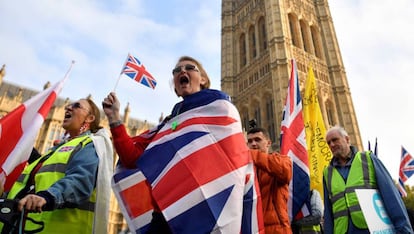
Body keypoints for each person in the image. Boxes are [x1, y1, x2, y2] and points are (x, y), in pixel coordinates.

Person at [103, 56, 263, 233]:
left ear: (203, 79)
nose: (182, 72)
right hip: (165, 217)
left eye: (189, 68)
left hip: (207, 213)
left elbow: (237, 162)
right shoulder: (169, 125)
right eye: (176, 71)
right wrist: (115, 119)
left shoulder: (221, 109)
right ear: (176, 88)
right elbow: (131, 157)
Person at [1, 98, 113, 233]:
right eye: (68, 105)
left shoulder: (90, 144)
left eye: (76, 106)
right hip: (21, 225)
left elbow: (80, 182)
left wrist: (47, 197)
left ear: (90, 118)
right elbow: (32, 184)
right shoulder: (58, 149)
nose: (68, 108)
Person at [323, 125, 413, 233]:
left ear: (347, 139)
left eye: (335, 140)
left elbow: (391, 197)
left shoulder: (368, 159)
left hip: (371, 229)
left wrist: (404, 230)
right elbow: (328, 213)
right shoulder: (327, 173)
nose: (331, 144)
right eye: (328, 142)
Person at [246, 127, 292, 233]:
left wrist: (250, 154)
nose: (253, 144)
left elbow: (285, 170)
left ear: (268, 143)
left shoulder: (280, 160)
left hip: (276, 229)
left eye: (257, 140)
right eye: (249, 141)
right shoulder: (245, 171)